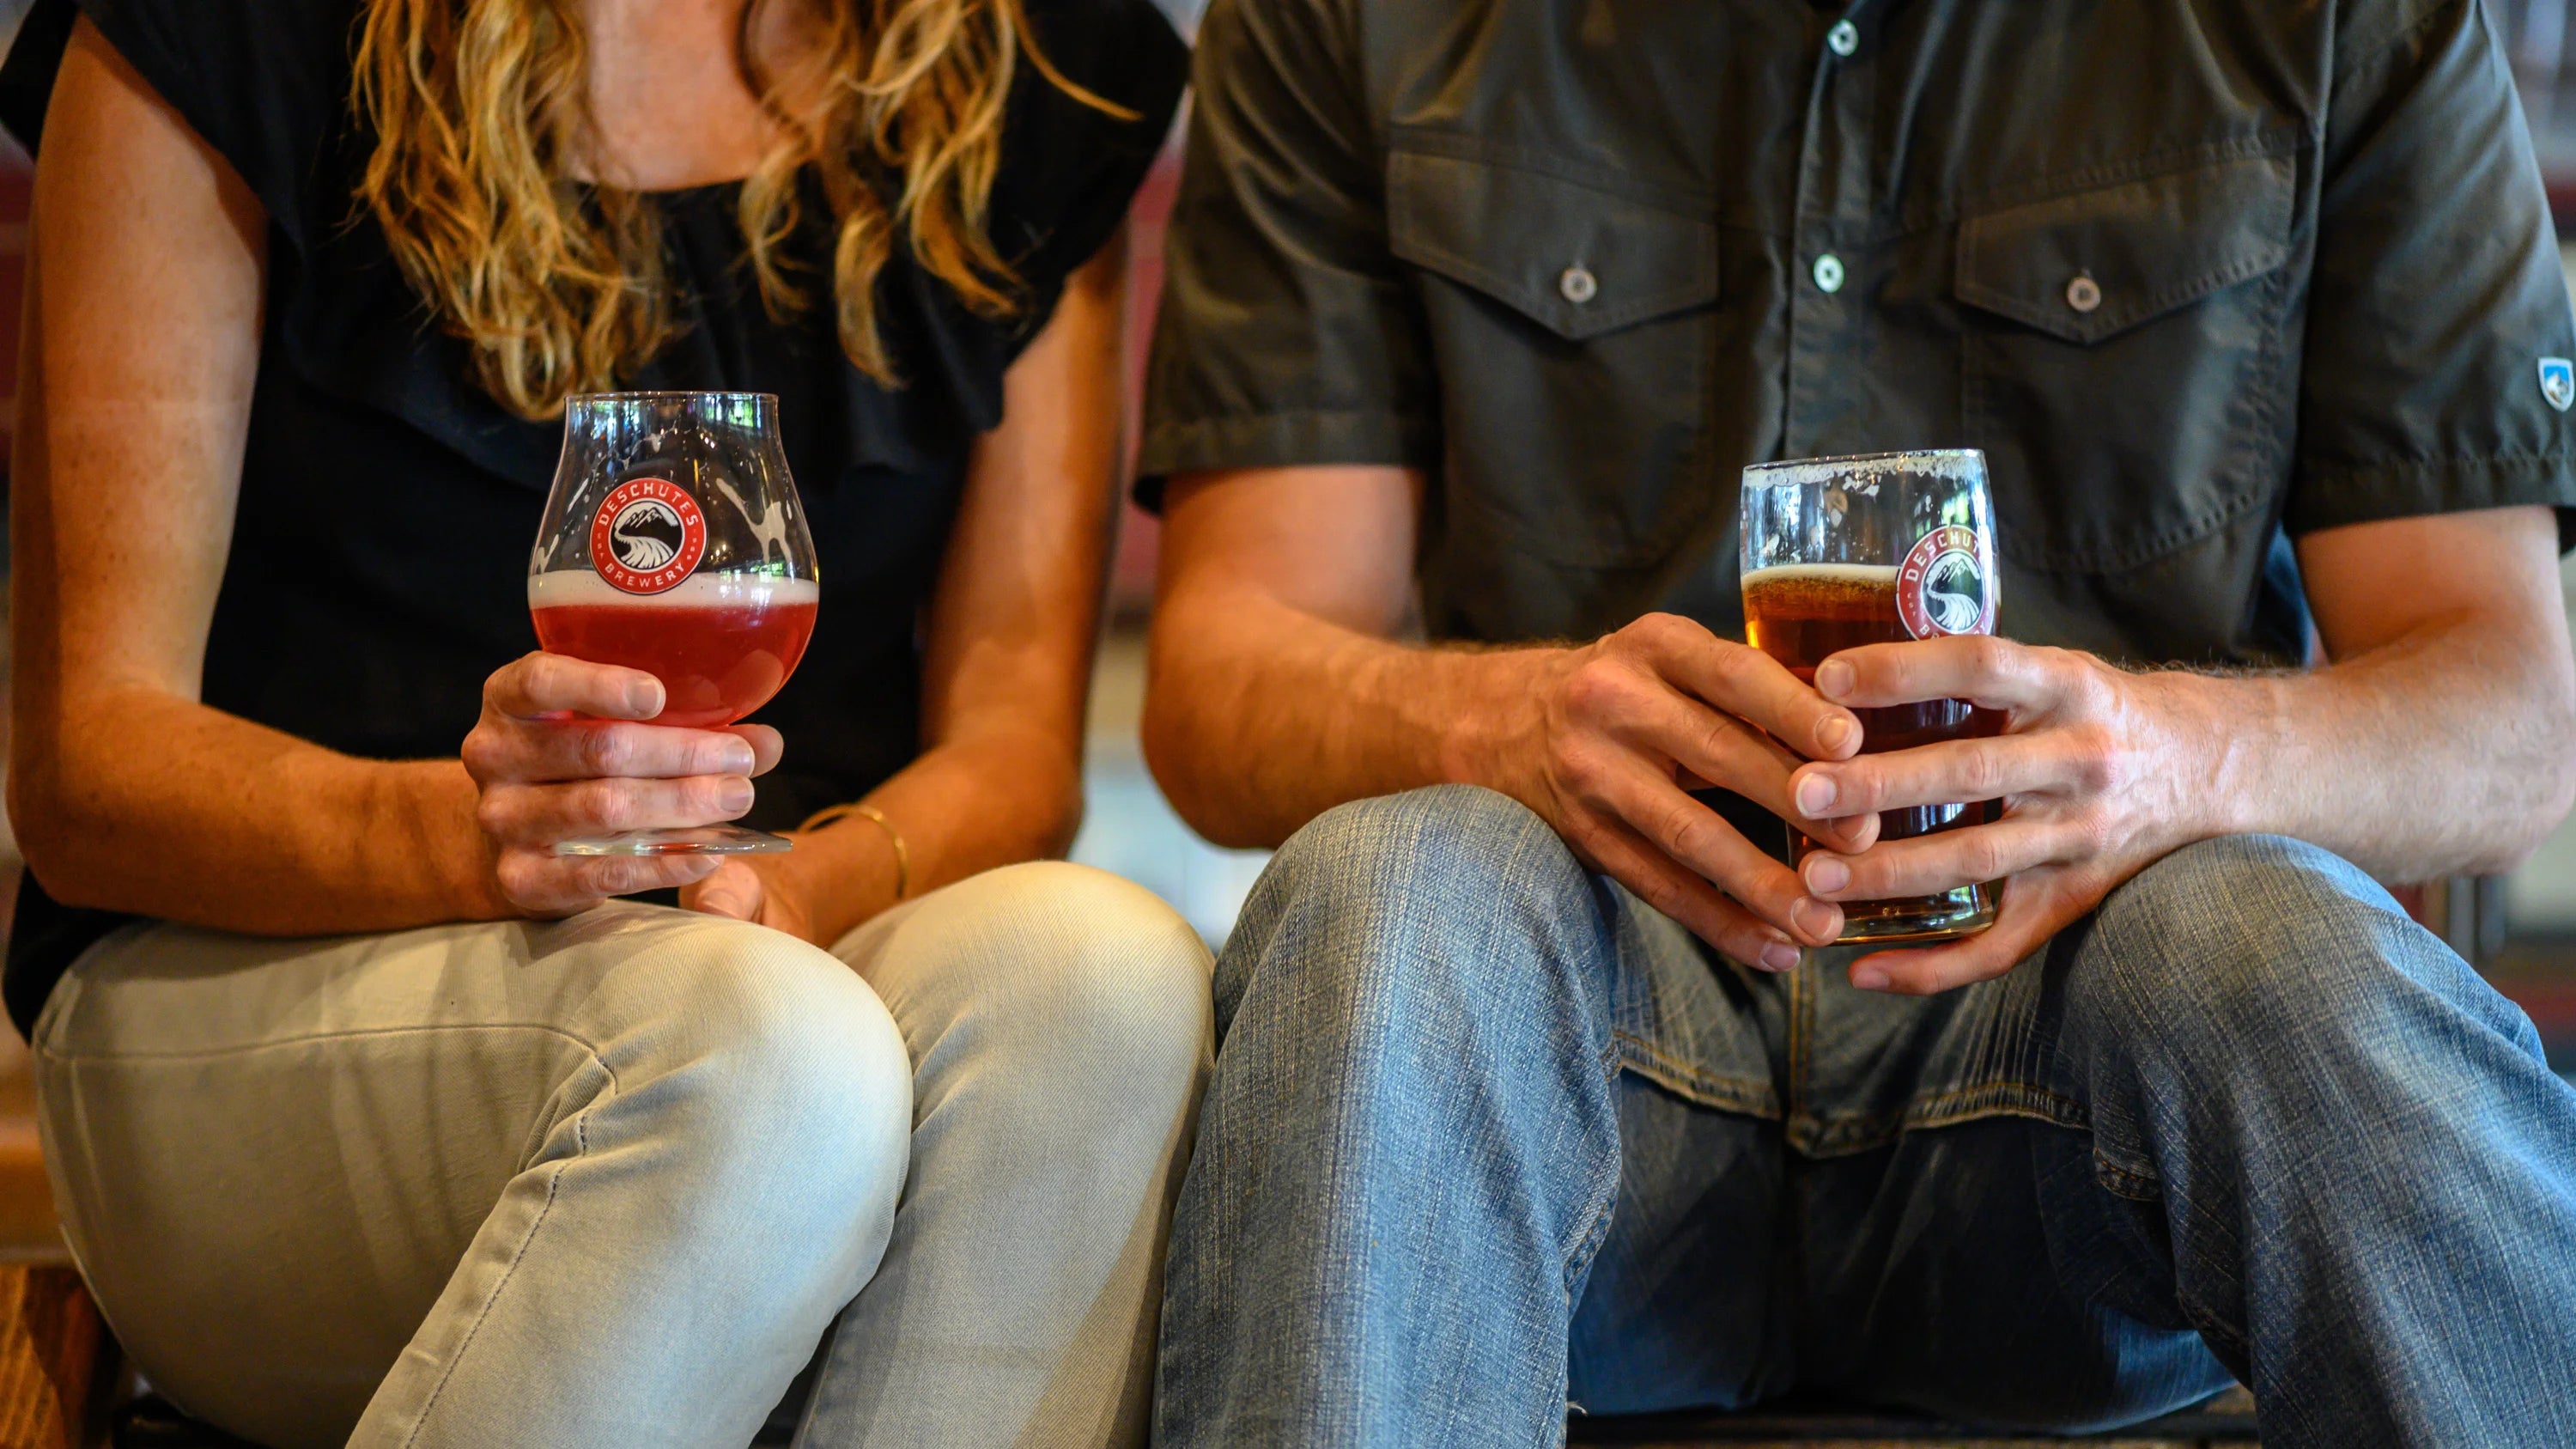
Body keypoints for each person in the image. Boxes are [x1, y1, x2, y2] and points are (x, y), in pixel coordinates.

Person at [1135, 0, 2576, 1443]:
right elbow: (1218, 677)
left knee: (2267, 945)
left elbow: (2513, 719)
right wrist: (1497, 716)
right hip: (1588, 1049)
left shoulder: (2342, 22)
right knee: (1398, 896)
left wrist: (2166, 757)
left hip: (2091, 1078)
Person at [0, 0, 1208, 1443]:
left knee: (1107, 979)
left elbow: (1012, 748)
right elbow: (89, 766)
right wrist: (478, 834)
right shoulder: (242, 31)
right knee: (764, 1060)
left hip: (778, 953)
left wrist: (792, 890)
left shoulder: (1028, 56)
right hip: (253, 983)